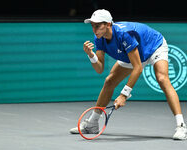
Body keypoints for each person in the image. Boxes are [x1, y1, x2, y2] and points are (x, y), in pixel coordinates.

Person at [70, 9, 187, 140]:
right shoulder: (99, 39)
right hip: (132, 55)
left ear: (108, 24)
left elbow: (138, 68)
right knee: (109, 81)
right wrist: (91, 55)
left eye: (97, 25)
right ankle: (92, 124)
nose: (94, 29)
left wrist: (124, 94)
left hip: (154, 46)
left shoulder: (124, 34)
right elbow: (100, 69)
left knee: (162, 79)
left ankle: (181, 125)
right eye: (92, 25)